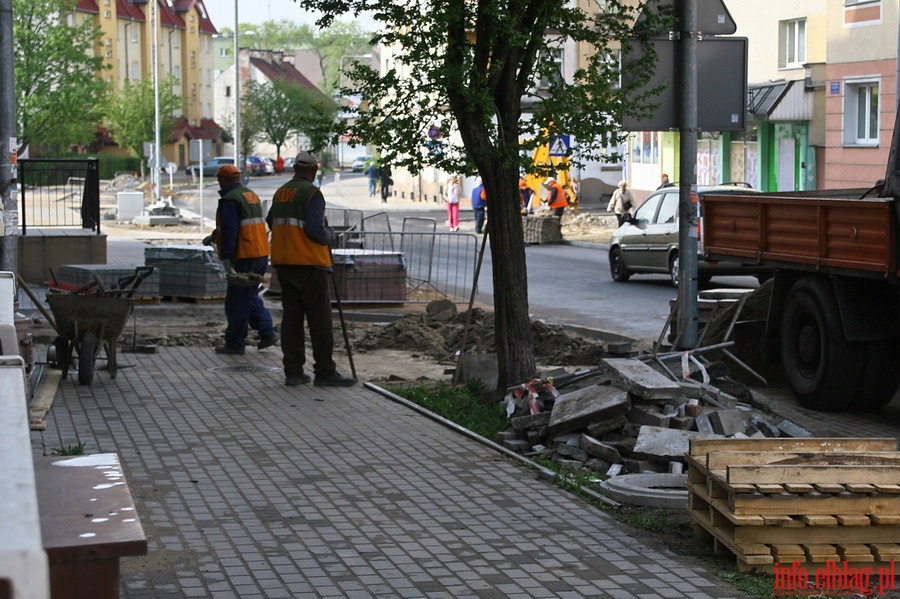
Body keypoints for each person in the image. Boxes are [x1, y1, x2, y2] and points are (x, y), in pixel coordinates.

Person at [267, 151, 356, 387]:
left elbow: (270, 221)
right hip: (309, 264)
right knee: (319, 320)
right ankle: (325, 371)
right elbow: (315, 231)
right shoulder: (312, 193)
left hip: (284, 263)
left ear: (295, 168)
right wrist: (330, 235)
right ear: (314, 169)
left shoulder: (281, 192)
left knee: (292, 319)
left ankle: (293, 371)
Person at [206, 164, 278, 355]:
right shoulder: (249, 195)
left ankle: (235, 343)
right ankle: (267, 332)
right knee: (249, 296)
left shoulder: (229, 199)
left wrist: (228, 256)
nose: (218, 183)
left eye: (219, 179)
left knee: (236, 301)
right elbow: (240, 223)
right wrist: (215, 235)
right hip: (260, 253)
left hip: (244, 255)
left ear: (223, 180)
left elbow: (231, 229)